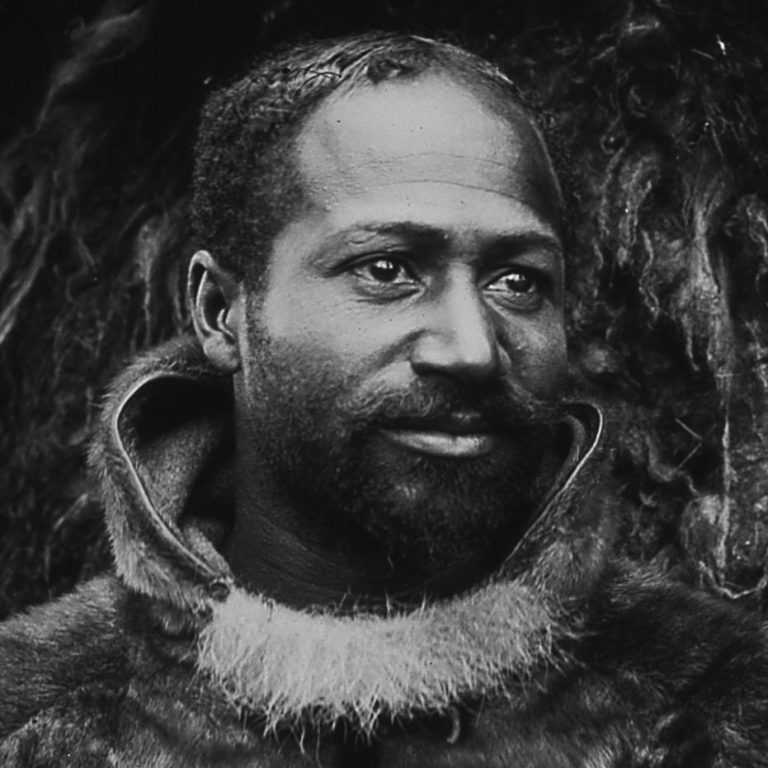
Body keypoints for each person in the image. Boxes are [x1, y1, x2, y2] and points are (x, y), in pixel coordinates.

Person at [1, 32, 767, 767]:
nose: (470, 348)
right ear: (220, 312)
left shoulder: (722, 709)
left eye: (517, 280)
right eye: (388, 269)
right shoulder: (29, 714)